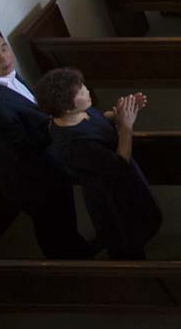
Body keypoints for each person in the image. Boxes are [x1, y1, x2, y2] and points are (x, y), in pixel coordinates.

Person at [0, 27, 90, 258]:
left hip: (51, 165)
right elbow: (18, 151)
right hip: (34, 180)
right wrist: (66, 121)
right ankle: (70, 270)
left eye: (4, 48)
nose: (4, 58)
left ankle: (79, 250)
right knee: (52, 229)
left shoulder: (2, 76)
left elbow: (32, 111)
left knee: (65, 221)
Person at [36, 68, 162, 259]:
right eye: (80, 92)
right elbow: (119, 165)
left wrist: (121, 112)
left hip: (123, 181)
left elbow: (97, 119)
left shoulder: (76, 113)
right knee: (127, 237)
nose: (86, 90)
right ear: (67, 107)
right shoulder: (75, 143)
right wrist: (126, 126)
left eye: (83, 85)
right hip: (111, 194)